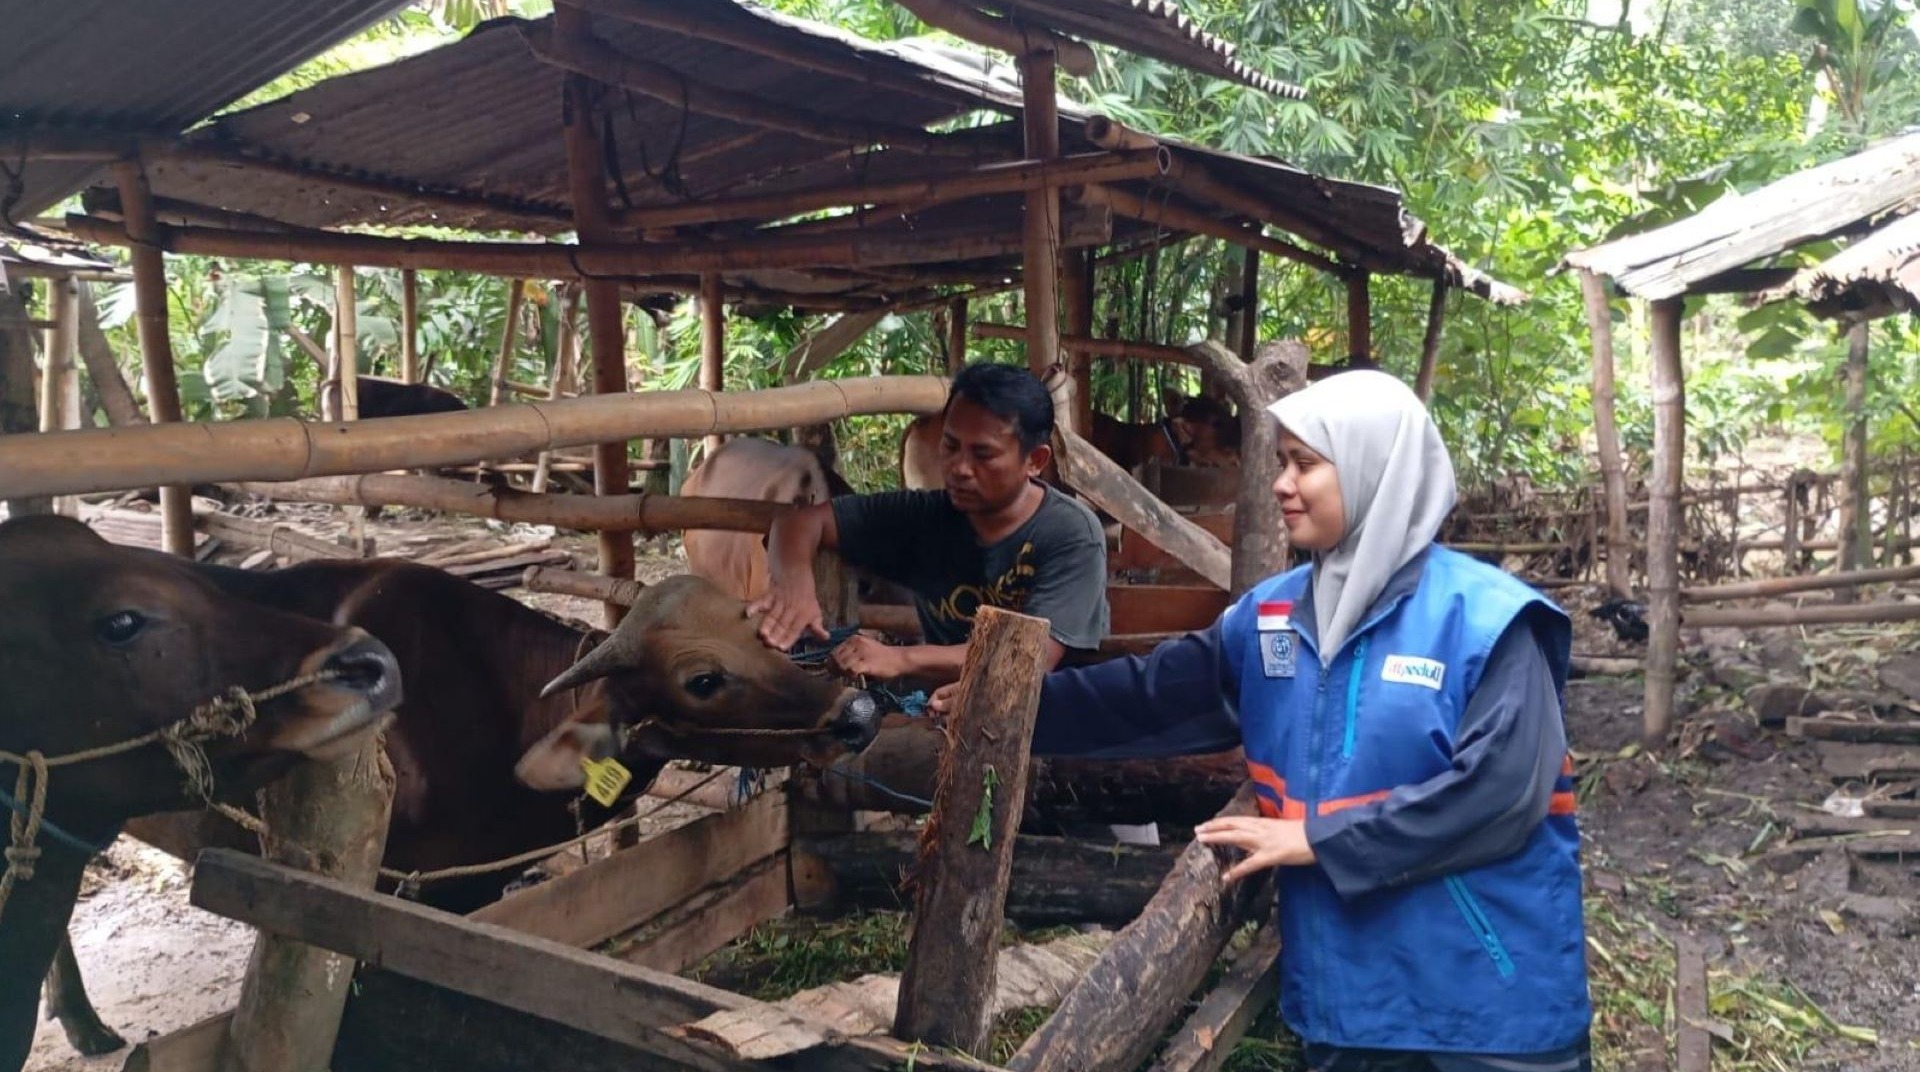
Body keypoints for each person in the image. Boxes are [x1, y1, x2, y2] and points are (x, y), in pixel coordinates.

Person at [970, 369, 1591, 1071]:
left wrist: (1321, 839)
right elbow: (1150, 697)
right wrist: (999, 712)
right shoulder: (1275, 616)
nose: (1280, 485)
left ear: (1373, 470)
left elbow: (1500, 794)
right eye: (1280, 463)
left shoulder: (1487, 622)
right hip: (1344, 1000)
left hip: (1485, 1007)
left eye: (1304, 464)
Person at [750, 361, 1109, 687]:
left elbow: (1030, 656)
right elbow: (799, 523)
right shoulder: (926, 516)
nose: (959, 468)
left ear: (1035, 460)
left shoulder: (1071, 534)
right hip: (951, 710)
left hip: (1052, 717)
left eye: (983, 454)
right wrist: (794, 585)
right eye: (950, 446)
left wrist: (900, 658)